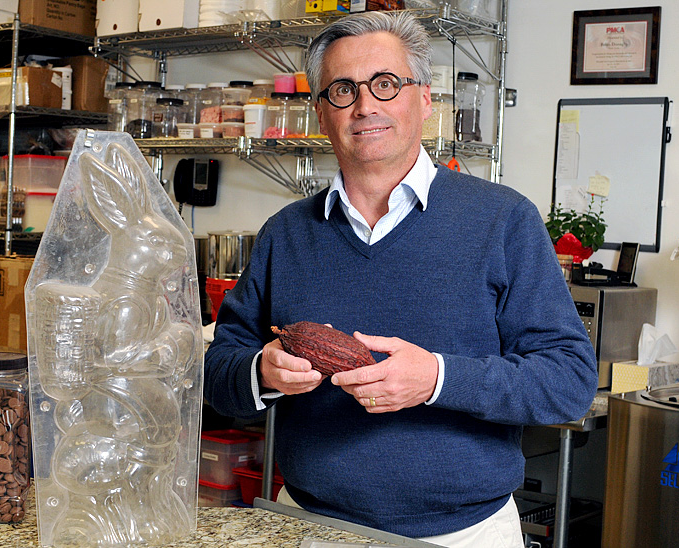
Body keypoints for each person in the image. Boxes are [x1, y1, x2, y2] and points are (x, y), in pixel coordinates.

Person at [204, 10, 598, 547]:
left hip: (462, 535)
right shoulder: (286, 234)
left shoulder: (503, 221)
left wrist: (437, 379)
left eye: (386, 84)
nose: (365, 105)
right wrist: (260, 372)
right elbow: (216, 371)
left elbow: (568, 383)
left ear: (425, 99)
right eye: (342, 89)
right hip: (309, 525)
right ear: (322, 113)